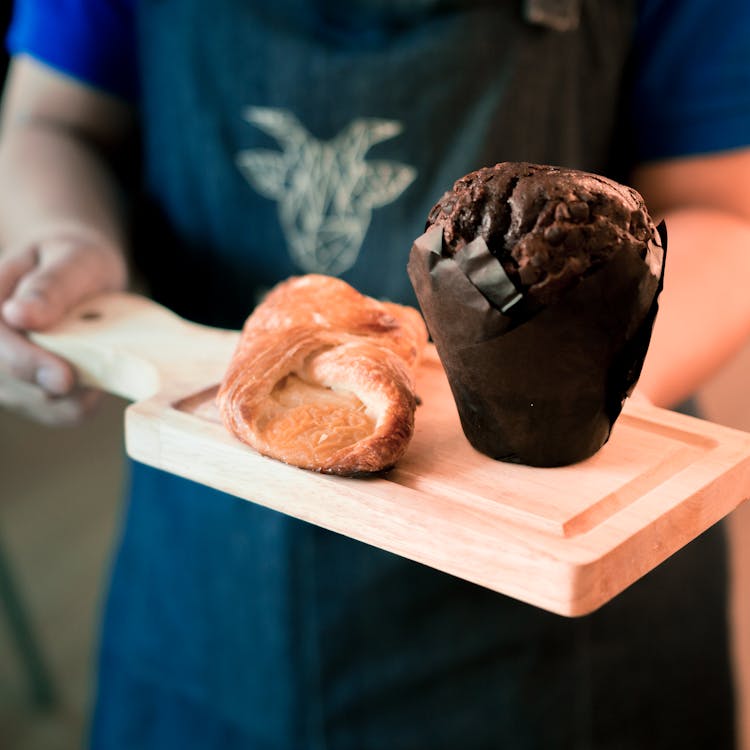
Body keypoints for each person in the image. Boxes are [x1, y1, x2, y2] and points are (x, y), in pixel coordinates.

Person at [1, 1, 749, 747]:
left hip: (556, 594)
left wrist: (557, 392)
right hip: (214, 535)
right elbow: (56, 121)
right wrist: (60, 238)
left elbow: (725, 210)